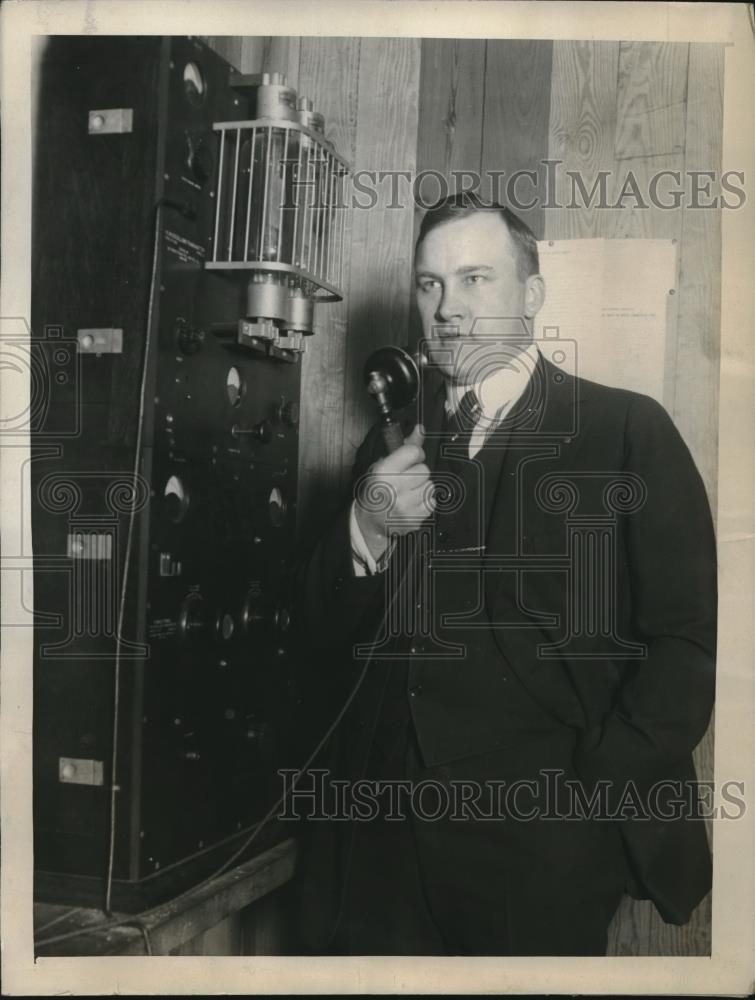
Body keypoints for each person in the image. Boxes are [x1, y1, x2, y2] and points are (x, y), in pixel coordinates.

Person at [290, 194, 717, 956]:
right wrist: (366, 526)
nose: (448, 308)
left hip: (543, 846)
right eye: (429, 284)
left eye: (475, 279)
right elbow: (321, 635)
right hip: (381, 847)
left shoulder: (625, 430)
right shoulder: (390, 444)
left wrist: (593, 790)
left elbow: (684, 644)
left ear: (530, 295)